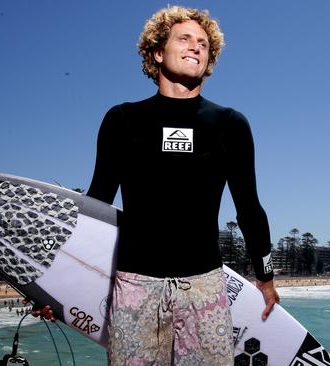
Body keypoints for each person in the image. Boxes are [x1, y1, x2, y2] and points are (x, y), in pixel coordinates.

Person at [34, 5, 279, 365]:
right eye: (185, 39)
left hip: (205, 287)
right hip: (135, 288)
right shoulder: (123, 120)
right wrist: (57, 288)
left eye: (204, 44)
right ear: (157, 52)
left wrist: (266, 277)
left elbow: (249, 208)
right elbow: (96, 207)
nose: (196, 46)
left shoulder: (230, 124)